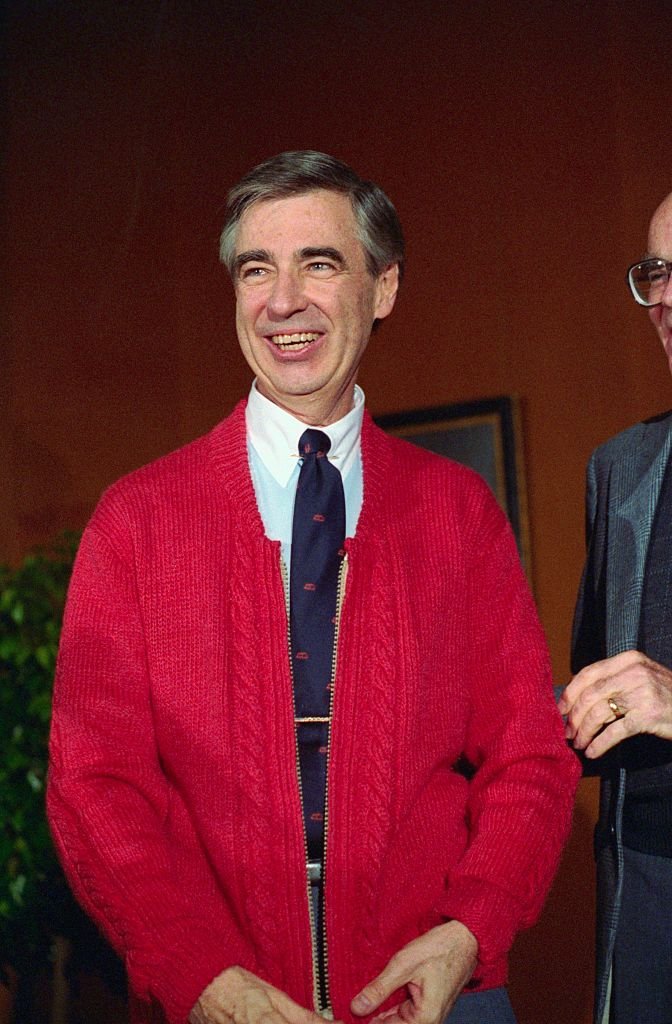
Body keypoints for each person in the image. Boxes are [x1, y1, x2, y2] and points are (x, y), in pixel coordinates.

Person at [48, 150, 579, 1024]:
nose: (282, 301)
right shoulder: (136, 521)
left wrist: (471, 931)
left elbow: (528, 753)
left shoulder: (458, 513)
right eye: (257, 269)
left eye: (319, 264)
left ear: (384, 289)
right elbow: (93, 783)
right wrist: (199, 975)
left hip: (442, 996)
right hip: (214, 1002)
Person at [560, 190, 672, 1024]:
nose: (664, 297)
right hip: (644, 892)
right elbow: (589, 705)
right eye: (658, 271)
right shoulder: (619, 469)